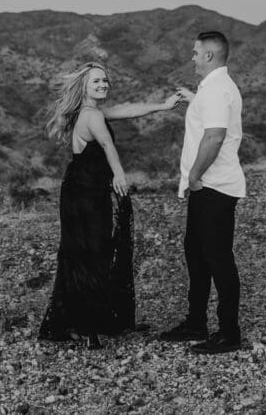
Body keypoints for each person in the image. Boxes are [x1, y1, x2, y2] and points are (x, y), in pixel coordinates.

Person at [39, 61, 183, 349]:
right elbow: (107, 145)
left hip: (86, 189)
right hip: (84, 194)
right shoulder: (91, 115)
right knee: (90, 254)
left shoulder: (94, 112)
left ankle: (84, 323)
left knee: (87, 252)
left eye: (104, 80)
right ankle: (88, 326)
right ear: (84, 87)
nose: (103, 84)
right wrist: (119, 173)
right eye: (96, 82)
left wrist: (163, 107)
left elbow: (128, 109)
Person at [159, 31, 246, 354]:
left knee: (218, 258)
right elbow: (213, 118)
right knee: (196, 256)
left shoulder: (217, 89)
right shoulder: (213, 89)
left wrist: (194, 175)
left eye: (196, 52)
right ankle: (196, 322)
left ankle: (229, 333)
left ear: (209, 55)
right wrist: (193, 99)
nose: (192, 57)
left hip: (213, 187)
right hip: (208, 187)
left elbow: (215, 136)